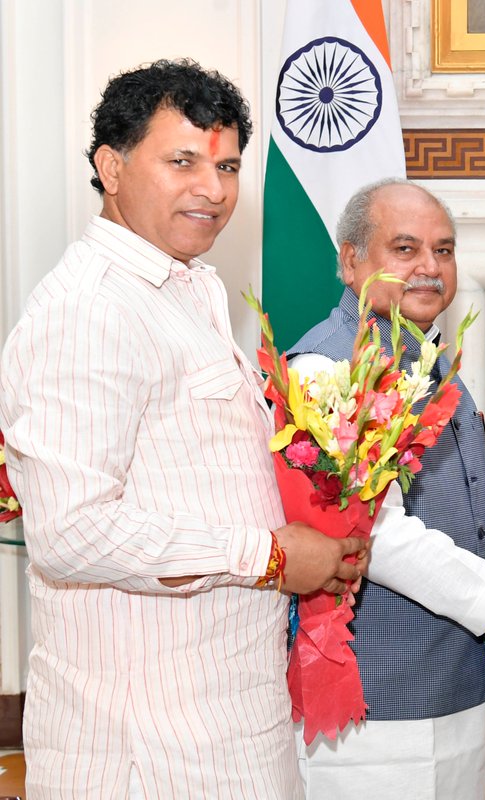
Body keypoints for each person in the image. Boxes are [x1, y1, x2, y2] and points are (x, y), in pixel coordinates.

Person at [0, 59, 365, 799]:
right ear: (111, 166)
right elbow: (71, 533)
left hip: (228, 721)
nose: (214, 188)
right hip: (148, 750)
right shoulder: (90, 309)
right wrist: (266, 556)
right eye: (183, 161)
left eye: (227, 165)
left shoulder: (187, 283)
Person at [288, 178, 485, 799]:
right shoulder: (327, 369)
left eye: (444, 250)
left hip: (451, 685)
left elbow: (461, 527)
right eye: (404, 249)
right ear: (350, 261)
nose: (429, 268)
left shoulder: (426, 364)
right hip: (376, 707)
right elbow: (382, 538)